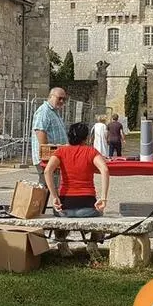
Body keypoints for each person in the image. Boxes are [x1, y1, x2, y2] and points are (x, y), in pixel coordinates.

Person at [43, 122, 109, 259]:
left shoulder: (60, 151)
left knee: (59, 215)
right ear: (86, 138)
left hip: (65, 207)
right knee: (101, 214)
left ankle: (62, 242)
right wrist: (103, 198)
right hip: (88, 207)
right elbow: (105, 169)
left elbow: (48, 170)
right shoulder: (91, 151)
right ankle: (93, 242)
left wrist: (54, 196)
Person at [31, 88, 69, 187]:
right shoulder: (44, 111)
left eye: (64, 99)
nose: (61, 101)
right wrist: (47, 153)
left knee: (51, 188)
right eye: (59, 98)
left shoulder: (54, 112)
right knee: (49, 188)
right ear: (51, 96)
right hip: (47, 158)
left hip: (53, 157)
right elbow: (40, 132)